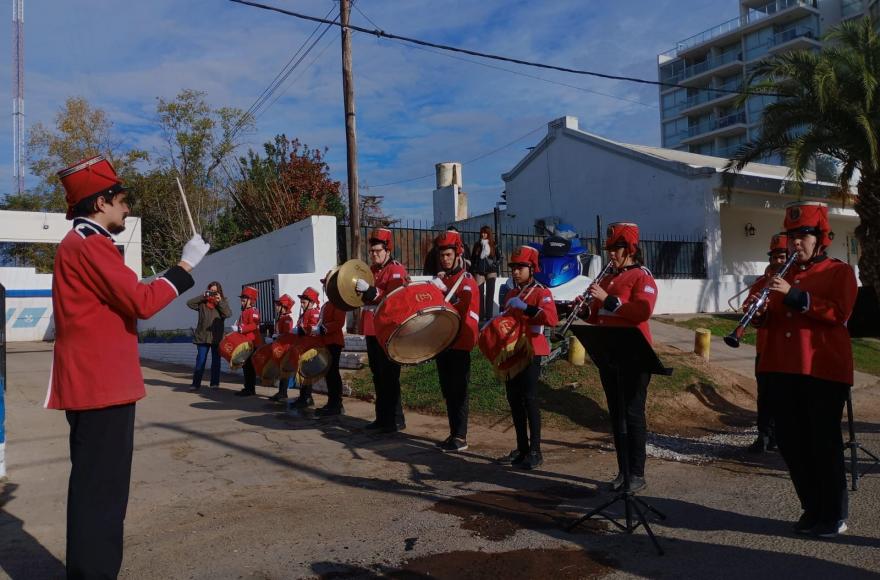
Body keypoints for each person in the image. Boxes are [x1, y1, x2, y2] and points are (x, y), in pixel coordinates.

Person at [47, 155, 209, 578]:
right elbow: (142, 302)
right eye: (122, 200)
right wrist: (186, 264)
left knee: (97, 492)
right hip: (100, 388)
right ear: (100, 203)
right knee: (101, 496)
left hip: (98, 386)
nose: (127, 208)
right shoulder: (90, 243)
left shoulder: (83, 243)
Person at [755, 201, 857, 538]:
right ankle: (812, 508)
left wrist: (795, 296)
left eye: (804, 235)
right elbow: (766, 314)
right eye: (792, 236)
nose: (796, 242)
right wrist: (757, 313)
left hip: (822, 369)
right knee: (790, 442)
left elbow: (839, 314)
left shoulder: (838, 272)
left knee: (823, 443)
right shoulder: (777, 275)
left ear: (820, 237)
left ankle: (834, 513)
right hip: (781, 368)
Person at [584, 222, 658, 493]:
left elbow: (641, 311)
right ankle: (623, 471)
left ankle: (637, 473)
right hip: (610, 354)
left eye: (616, 249)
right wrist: (580, 310)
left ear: (630, 249)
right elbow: (595, 316)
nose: (611, 254)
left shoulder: (641, 276)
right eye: (610, 249)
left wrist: (607, 300)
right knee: (617, 416)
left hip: (635, 356)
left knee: (632, 413)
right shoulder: (607, 278)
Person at [496, 245, 558, 469]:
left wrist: (527, 309)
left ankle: (535, 451)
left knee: (530, 400)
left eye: (520, 267)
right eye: (513, 267)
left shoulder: (542, 292)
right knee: (514, 400)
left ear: (532, 268)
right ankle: (521, 448)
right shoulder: (512, 293)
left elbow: (551, 319)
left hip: (532, 349)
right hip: (512, 351)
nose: (515, 271)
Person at [429, 231, 480, 451]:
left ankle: (461, 436)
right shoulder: (444, 279)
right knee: (447, 390)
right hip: (443, 342)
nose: (445, 259)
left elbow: (463, 305)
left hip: (460, 342)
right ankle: (453, 433)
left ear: (457, 254)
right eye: (442, 255)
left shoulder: (467, 280)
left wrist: (444, 290)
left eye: (448, 254)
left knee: (459, 390)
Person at [356, 227, 409, 433]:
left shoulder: (395, 270)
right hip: (372, 329)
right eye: (372, 251)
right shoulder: (372, 271)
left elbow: (393, 299)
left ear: (388, 250)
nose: (375, 254)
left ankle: (395, 419)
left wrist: (370, 291)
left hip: (388, 330)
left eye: (378, 251)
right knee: (377, 375)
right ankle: (382, 418)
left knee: (389, 376)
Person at [742, 234, 787, 453]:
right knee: (764, 394)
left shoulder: (794, 284)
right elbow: (747, 308)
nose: (779, 261)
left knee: (784, 395)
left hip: (787, 352)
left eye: (783, 256)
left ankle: (781, 436)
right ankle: (764, 436)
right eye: (776, 257)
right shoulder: (761, 284)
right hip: (765, 348)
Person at [187, 281, 231, 390]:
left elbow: (228, 314)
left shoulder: (223, 301)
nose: (212, 293)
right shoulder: (202, 303)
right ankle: (195, 384)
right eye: (211, 291)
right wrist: (203, 296)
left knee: (216, 361)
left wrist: (219, 301)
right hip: (202, 336)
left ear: (219, 292)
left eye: (215, 291)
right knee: (201, 361)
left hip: (216, 337)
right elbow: (189, 303)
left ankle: (214, 383)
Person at [316, 272, 348, 417]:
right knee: (328, 373)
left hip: (334, 342)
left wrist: (324, 328)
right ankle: (331, 402)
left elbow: (339, 323)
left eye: (326, 284)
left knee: (333, 373)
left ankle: (337, 404)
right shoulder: (327, 304)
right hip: (326, 342)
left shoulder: (338, 302)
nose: (324, 287)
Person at [289, 287, 321, 408]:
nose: (301, 305)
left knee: (307, 373)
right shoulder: (305, 313)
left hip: (310, 347)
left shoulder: (313, 313)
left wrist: (302, 330)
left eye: (304, 302)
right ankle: (303, 397)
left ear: (311, 302)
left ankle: (307, 398)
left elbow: (313, 328)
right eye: (301, 302)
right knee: (302, 372)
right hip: (302, 346)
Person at [233, 286, 262, 397]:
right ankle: (248, 388)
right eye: (242, 298)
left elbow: (254, 325)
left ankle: (250, 389)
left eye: (244, 298)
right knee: (246, 366)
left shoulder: (253, 311)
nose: (242, 300)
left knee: (249, 367)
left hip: (252, 343)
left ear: (251, 300)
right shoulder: (245, 311)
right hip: (246, 343)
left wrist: (241, 328)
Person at [268, 294, 295, 402]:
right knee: (281, 371)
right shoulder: (281, 318)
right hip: (279, 347)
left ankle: (283, 393)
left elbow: (287, 334)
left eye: (279, 305)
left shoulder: (287, 319)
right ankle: (281, 392)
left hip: (285, 348)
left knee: (284, 371)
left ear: (284, 306)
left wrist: (277, 337)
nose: (276, 307)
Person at [470, 225, 499, 321]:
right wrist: (474, 268)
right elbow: (473, 258)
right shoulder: (477, 245)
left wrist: (495, 265)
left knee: (490, 294)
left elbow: (499, 257)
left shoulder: (494, 244)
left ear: (489, 234)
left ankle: (489, 316)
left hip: (491, 271)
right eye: (482, 232)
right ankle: (481, 316)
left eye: (485, 232)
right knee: (480, 293)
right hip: (479, 271)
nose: (483, 234)